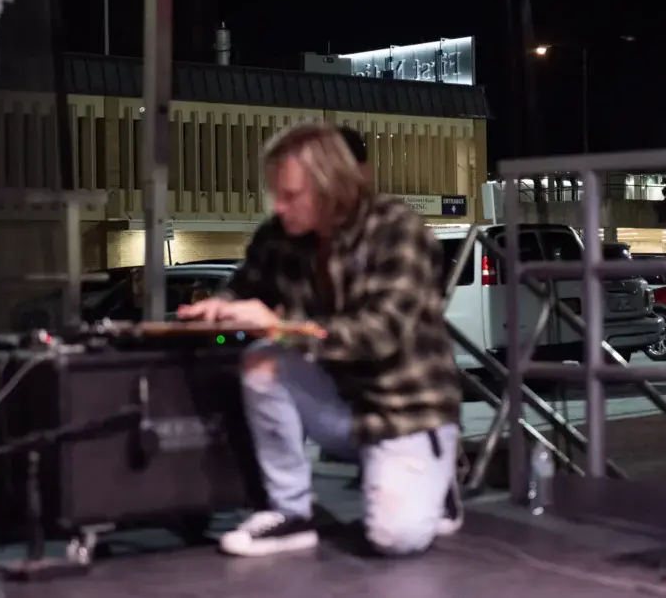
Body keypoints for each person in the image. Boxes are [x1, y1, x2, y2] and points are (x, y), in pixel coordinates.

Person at [179, 122, 464, 558]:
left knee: (395, 538)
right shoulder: (280, 236)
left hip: (405, 414)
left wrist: (279, 326)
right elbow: (246, 285)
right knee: (261, 362)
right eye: (276, 194)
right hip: (342, 407)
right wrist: (222, 305)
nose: (279, 206)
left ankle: (436, 482)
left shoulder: (398, 230)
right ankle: (291, 512)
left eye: (291, 195)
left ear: (331, 186)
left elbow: (379, 333)